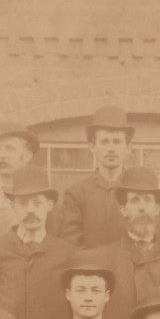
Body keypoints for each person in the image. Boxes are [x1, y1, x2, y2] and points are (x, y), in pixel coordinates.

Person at [87, 165, 160, 319]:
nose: (142, 207)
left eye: (148, 200)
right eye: (135, 200)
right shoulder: (103, 259)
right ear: (124, 210)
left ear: (157, 209)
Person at [0, 165, 77, 319]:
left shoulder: (67, 254)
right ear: (12, 206)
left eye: (37, 203)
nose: (31, 210)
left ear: (49, 206)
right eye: (23, 203)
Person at [57, 105, 136, 248]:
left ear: (128, 149)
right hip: (90, 268)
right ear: (92, 147)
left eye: (117, 142)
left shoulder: (140, 190)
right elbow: (71, 244)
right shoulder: (76, 193)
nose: (111, 148)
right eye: (104, 142)